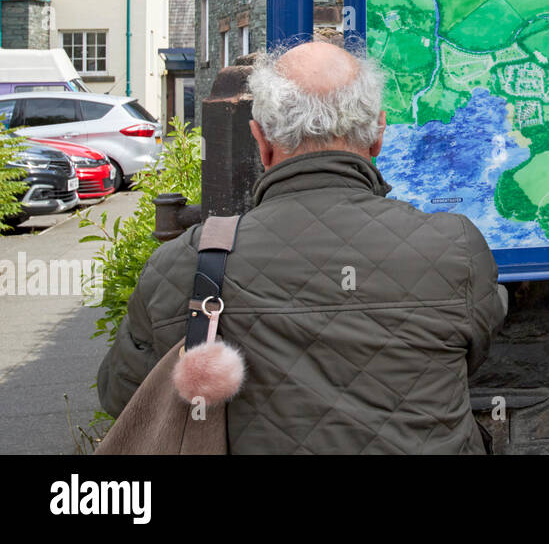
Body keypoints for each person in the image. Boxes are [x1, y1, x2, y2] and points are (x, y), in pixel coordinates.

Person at [97, 40, 506, 453]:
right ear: (378, 135)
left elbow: (123, 396)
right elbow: (473, 351)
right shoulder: (456, 248)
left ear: (262, 140)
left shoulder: (187, 263)